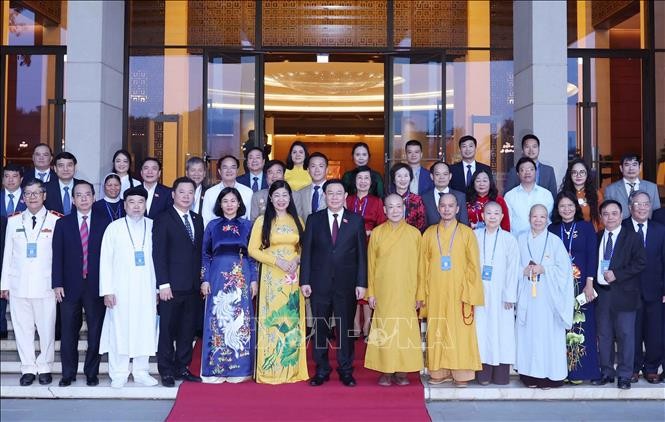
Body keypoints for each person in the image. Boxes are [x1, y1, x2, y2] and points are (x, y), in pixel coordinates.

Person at [300, 179, 367, 387]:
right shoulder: (314, 220)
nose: (335, 197)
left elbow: (362, 256)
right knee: (320, 327)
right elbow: (307, 252)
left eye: (339, 193)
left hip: (347, 285)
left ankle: (346, 370)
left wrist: (361, 283)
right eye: (331, 193)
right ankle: (321, 369)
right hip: (319, 283)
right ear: (324, 196)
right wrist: (305, 280)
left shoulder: (356, 221)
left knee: (345, 329)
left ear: (345, 196)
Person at [418, 193, 484, 387]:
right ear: (438, 209)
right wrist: (422, 293)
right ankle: (439, 372)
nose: (446, 209)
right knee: (437, 330)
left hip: (459, 290)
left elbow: (474, 265)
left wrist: (470, 292)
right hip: (436, 290)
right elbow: (422, 266)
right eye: (443, 206)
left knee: (460, 332)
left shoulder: (466, 233)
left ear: (457, 209)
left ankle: (461, 374)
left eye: (450, 206)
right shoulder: (429, 233)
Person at [1, 179, 60, 386]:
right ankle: (27, 368)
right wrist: (4, 285)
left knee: (46, 329)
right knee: (22, 328)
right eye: (28, 193)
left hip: (45, 285)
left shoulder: (55, 220)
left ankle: (44, 367)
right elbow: (8, 253)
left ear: (44, 195)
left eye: (37, 193)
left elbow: (59, 256)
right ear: (23, 197)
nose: (32, 197)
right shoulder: (14, 221)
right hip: (19, 285)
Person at [249, 180, 309, 384]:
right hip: (271, 277)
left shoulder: (297, 219)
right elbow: (253, 250)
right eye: (277, 196)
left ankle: (291, 368)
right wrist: (277, 261)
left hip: (292, 276)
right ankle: (271, 369)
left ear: (290, 198)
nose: (281, 199)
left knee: (291, 320)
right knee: (272, 321)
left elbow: (304, 247)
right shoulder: (261, 221)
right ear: (270, 199)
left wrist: (296, 260)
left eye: (285, 195)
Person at [99, 186, 159, 388]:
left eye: (140, 202)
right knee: (119, 329)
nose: (136, 206)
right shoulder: (113, 228)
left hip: (147, 288)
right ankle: (119, 372)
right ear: (124, 205)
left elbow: (160, 260)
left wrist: (158, 288)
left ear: (145, 205)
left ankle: (141, 371)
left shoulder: (153, 226)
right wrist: (107, 290)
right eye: (131, 202)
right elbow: (105, 261)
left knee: (145, 328)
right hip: (120, 290)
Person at [52, 181, 108, 387]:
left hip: (96, 287)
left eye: (87, 195)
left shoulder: (105, 222)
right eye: (79, 195)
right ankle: (68, 373)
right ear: (73, 200)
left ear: (94, 198)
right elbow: (57, 256)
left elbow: (110, 257)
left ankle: (91, 373)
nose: (84, 199)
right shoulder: (63, 224)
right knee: (68, 333)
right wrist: (57, 283)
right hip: (69, 287)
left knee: (95, 332)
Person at [364, 194, 424, 386]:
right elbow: (370, 265)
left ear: (404, 208)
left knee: (405, 330)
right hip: (384, 291)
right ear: (384, 210)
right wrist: (371, 292)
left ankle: (402, 371)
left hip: (407, 289)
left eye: (399, 206)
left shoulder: (415, 234)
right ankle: (386, 371)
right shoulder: (377, 233)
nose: (395, 210)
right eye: (391, 207)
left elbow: (421, 267)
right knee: (385, 328)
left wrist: (420, 293)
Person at [201, 187, 258, 383]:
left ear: (240, 204)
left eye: (233, 201)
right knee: (217, 317)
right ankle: (216, 368)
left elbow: (253, 256)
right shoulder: (212, 225)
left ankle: (239, 370)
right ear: (220, 204)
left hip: (242, 274)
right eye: (225, 201)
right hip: (217, 274)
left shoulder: (248, 225)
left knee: (241, 318)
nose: (229, 204)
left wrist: (254, 280)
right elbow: (205, 255)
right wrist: (205, 279)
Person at [515, 204, 574, 389]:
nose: (538, 220)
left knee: (548, 336)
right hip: (527, 294)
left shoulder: (554, 241)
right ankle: (529, 375)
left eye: (542, 217)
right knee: (528, 335)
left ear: (547, 218)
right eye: (534, 216)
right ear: (529, 217)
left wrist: (544, 269)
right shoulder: (520, 239)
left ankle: (551, 376)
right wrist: (522, 271)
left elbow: (565, 270)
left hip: (549, 298)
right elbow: (511, 266)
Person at [153, 177, 204, 387]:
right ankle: (166, 370)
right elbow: (159, 253)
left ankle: (182, 367)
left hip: (192, 286)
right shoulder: (163, 218)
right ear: (173, 195)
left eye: (190, 192)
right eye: (181, 192)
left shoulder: (198, 219)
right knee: (166, 330)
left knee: (187, 330)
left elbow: (200, 252)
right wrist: (163, 284)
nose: (186, 196)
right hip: (171, 287)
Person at [592, 199, 646, 389]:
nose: (610, 217)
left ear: (621, 215)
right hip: (602, 295)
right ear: (601, 217)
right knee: (604, 335)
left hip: (625, 293)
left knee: (625, 336)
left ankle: (624, 374)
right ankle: (606, 372)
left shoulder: (632, 237)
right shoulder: (597, 237)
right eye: (605, 214)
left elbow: (640, 263)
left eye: (614, 213)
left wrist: (618, 274)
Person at [548, 191, 601, 383]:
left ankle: (580, 371)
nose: (567, 209)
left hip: (581, 284)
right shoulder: (552, 229)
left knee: (582, 325)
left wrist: (589, 283)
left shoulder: (586, 227)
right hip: (558, 286)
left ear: (576, 207)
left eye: (570, 205)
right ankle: (561, 371)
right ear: (557, 209)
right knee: (559, 326)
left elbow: (591, 255)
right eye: (562, 206)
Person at [473, 201, 520, 385]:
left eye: (496, 213)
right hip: (480, 293)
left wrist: (510, 294)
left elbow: (513, 268)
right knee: (481, 332)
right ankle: (483, 375)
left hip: (501, 295)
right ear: (482, 216)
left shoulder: (509, 239)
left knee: (502, 332)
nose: (492, 216)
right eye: (488, 213)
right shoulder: (474, 236)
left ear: (502, 217)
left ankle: (500, 375)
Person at [622, 191, 665, 384]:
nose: (641, 207)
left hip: (654, 290)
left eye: (645, 204)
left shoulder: (660, 230)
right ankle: (633, 367)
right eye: (637, 204)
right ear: (630, 207)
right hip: (627, 291)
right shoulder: (621, 228)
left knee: (654, 332)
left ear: (650, 207)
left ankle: (651, 368)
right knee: (631, 332)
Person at [346, 166, 386, 339]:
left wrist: (372, 233)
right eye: (359, 178)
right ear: (354, 181)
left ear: (371, 182)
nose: (363, 181)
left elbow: (383, 225)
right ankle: (354, 325)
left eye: (366, 178)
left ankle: (368, 326)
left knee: (368, 285)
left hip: (371, 246)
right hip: (349, 248)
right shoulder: (347, 200)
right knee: (352, 285)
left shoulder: (377, 201)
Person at [1, 163, 26, 339]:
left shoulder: (31, 199)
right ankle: (1, 326)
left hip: (22, 254)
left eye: (14, 176)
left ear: (21, 179)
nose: (10, 180)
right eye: (7, 176)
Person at [504, 157, 554, 236]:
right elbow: (508, 222)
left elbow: (548, 219)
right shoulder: (509, 196)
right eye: (523, 170)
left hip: (542, 240)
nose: (527, 172)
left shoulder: (546, 194)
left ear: (536, 172)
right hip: (517, 241)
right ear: (518, 173)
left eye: (531, 169)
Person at [603, 153, 661, 219]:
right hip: (621, 228)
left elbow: (657, 214)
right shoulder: (610, 189)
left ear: (640, 167)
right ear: (621, 168)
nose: (631, 168)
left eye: (634, 164)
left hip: (645, 228)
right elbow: (608, 214)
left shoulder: (652, 187)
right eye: (627, 165)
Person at [201, 155, 253, 226]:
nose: (229, 170)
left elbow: (249, 218)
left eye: (233, 167)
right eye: (225, 167)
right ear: (219, 171)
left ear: (237, 170)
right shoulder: (210, 193)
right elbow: (206, 220)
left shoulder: (248, 192)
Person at [504, 134, 557, 199]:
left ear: (539, 149)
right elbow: (507, 196)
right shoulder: (514, 171)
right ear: (522, 150)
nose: (531, 150)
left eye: (534, 147)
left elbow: (554, 196)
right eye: (527, 147)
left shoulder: (549, 171)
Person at [559, 158, 603, 230]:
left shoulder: (596, 194)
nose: (578, 175)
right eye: (574, 172)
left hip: (592, 235)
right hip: (569, 235)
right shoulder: (564, 195)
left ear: (587, 174)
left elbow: (601, 218)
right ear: (570, 174)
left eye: (582, 172)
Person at [421, 161, 468, 227]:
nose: (441, 177)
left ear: (450, 176)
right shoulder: (424, 198)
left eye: (445, 174)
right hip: (432, 236)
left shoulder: (460, 196)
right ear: (432, 176)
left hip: (456, 236)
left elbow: (464, 224)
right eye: (437, 174)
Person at [388, 163, 426, 232]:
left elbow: (421, 223)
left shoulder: (417, 199)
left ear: (410, 178)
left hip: (411, 237)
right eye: (399, 176)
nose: (403, 179)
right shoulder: (387, 199)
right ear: (393, 179)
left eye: (406, 176)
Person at [293, 152, 329, 221]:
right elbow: (298, 217)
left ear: (327, 170)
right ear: (308, 170)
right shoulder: (300, 193)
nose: (317, 170)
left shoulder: (334, 191)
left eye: (321, 166)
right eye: (313, 166)